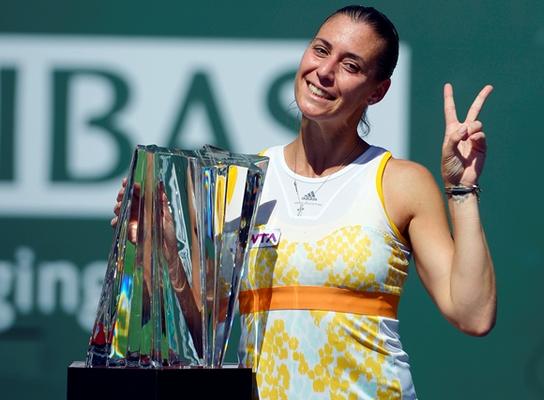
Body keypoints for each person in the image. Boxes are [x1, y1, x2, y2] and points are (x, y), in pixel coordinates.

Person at [113, 5, 496, 399]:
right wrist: (164, 247)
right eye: (320, 50)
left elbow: (473, 314)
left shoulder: (401, 183)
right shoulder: (244, 184)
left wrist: (462, 189)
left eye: (350, 66)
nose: (324, 72)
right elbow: (204, 333)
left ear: (377, 91)